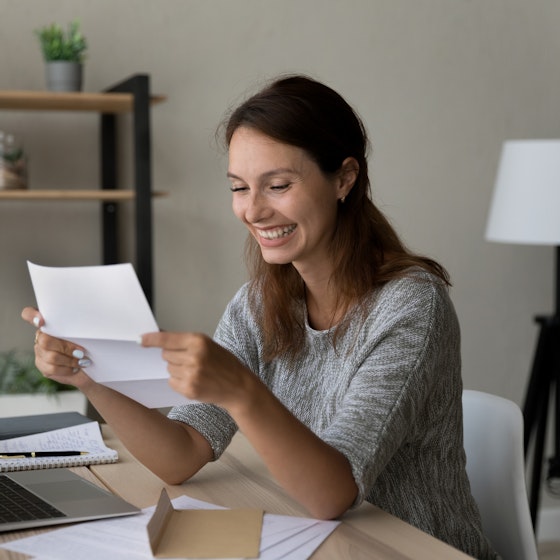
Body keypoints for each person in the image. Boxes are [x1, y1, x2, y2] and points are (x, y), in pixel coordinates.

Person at [22, 74, 497, 559]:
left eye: (278, 185)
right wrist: (88, 375)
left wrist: (241, 390)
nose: (253, 210)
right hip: (325, 546)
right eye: (238, 187)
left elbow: (333, 494)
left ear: (344, 179)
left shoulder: (411, 306)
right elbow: (181, 454)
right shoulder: (259, 303)